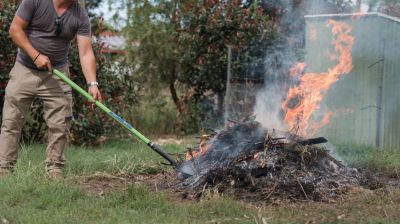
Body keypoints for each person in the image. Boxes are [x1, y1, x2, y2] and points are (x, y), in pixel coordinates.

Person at [0, 0, 102, 178]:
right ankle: (4, 169)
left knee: (60, 123)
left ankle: (55, 169)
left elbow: (85, 52)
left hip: (56, 72)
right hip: (25, 68)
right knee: (11, 121)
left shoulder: (80, 15)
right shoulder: (35, 1)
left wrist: (92, 83)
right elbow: (15, 30)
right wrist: (35, 55)